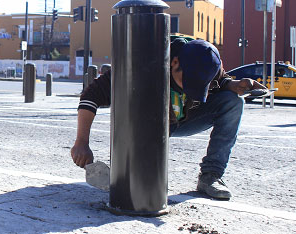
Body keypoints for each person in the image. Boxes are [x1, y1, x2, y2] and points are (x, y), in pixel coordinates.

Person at [71, 38, 267, 200]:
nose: (188, 89)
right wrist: (81, 142)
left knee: (233, 103)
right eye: (187, 82)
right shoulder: (144, 64)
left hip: (180, 120)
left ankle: (210, 176)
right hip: (145, 124)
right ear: (174, 63)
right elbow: (91, 95)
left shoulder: (208, 60)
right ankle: (125, 171)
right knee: (137, 185)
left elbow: (220, 81)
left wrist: (233, 85)